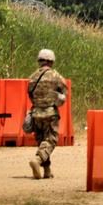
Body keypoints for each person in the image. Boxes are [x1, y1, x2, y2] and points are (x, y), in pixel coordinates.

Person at [26, 49, 68, 180]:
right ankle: (37, 160)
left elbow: (30, 95)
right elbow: (64, 92)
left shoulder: (32, 77)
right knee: (51, 140)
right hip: (50, 113)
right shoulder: (55, 76)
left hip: (36, 113)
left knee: (42, 141)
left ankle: (47, 171)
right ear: (51, 61)